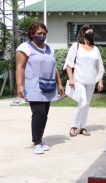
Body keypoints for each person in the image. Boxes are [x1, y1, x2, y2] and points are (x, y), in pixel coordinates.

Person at [16, 22, 64, 154]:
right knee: (39, 113)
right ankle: (36, 143)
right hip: (33, 86)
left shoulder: (49, 49)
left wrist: (59, 83)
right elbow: (20, 67)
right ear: (31, 34)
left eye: (44, 33)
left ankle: (40, 140)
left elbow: (55, 68)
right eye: (39, 33)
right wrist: (19, 85)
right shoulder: (25, 47)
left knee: (45, 115)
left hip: (48, 85)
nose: (42, 36)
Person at [64, 24, 104, 137]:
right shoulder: (76, 46)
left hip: (91, 82)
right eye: (88, 32)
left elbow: (99, 66)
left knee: (87, 104)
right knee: (82, 102)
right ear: (83, 33)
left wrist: (100, 80)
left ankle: (83, 127)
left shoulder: (95, 49)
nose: (91, 34)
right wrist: (71, 79)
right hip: (78, 81)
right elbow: (68, 64)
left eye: (92, 32)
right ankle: (74, 126)